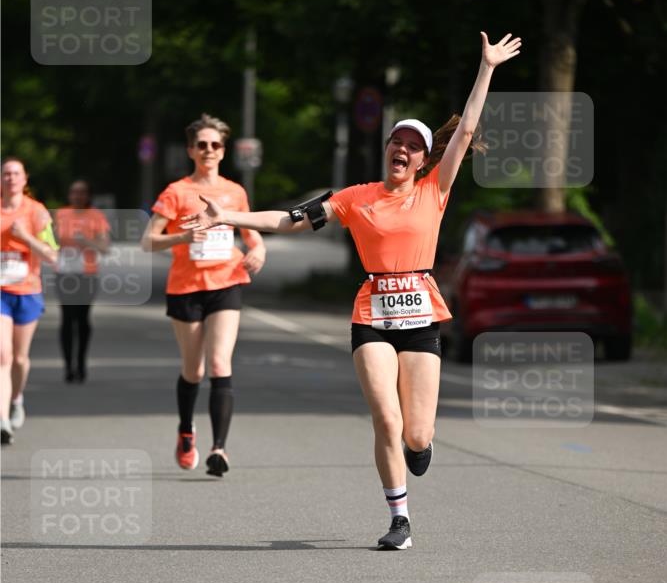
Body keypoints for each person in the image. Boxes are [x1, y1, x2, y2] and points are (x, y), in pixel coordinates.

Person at [181, 32, 521, 546]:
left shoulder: (435, 189)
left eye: (412, 146)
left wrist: (487, 68)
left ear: (425, 159)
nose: (402, 150)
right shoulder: (355, 197)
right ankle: (399, 519)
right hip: (373, 314)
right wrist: (226, 215)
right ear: (386, 150)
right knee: (385, 416)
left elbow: (467, 127)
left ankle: (419, 445)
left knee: (416, 432)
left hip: (421, 313)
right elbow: (290, 218)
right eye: (396, 143)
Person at [141, 113, 266, 475]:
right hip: (185, 288)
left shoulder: (235, 192)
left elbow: (252, 233)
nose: (208, 150)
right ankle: (185, 430)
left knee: (219, 364)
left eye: (215, 145)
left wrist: (259, 250)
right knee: (193, 370)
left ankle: (219, 449)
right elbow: (147, 241)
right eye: (202, 145)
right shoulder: (176, 192)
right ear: (191, 150)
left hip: (226, 282)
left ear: (223, 151)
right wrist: (181, 237)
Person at [1, 157, 58, 445]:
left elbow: (52, 255)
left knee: (20, 358)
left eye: (16, 174)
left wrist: (24, 237)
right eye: (6, 174)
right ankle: (2, 420)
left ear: (25, 180)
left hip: (27, 291)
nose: (10, 178)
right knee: (2, 355)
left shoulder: (37, 213)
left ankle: (17, 399)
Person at [53, 179, 111, 382]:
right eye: (74, 192)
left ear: (88, 195)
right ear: (69, 195)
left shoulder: (96, 216)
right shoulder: (61, 214)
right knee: (67, 318)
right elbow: (50, 241)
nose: (78, 196)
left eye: (82, 192)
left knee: (82, 318)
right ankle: (69, 366)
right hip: (65, 273)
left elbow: (105, 247)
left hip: (87, 274)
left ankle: (81, 363)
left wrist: (85, 241)